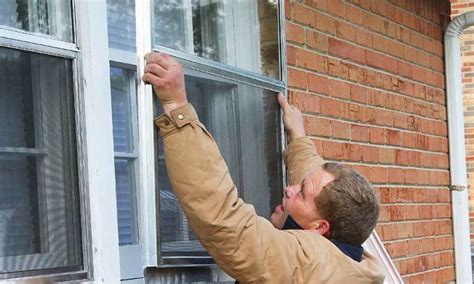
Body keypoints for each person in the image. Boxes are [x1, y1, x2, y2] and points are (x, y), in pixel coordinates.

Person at [143, 52, 385, 283]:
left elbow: (226, 221)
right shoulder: (350, 261)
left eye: (301, 193)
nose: (289, 189)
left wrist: (176, 107)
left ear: (320, 227)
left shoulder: (306, 264)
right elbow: (318, 188)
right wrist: (298, 138)